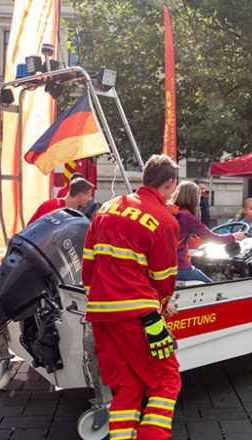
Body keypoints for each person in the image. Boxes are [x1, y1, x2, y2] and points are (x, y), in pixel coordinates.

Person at [82, 154, 181, 440]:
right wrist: (161, 308)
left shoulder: (106, 208)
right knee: (165, 380)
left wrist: (99, 300)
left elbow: (88, 264)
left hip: (101, 313)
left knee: (127, 386)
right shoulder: (164, 220)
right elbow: (163, 278)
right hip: (139, 316)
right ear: (171, 183)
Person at [173, 181, 246, 283]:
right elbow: (213, 238)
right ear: (193, 197)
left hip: (167, 265)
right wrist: (234, 237)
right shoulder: (188, 218)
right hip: (180, 267)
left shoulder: (175, 213)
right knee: (211, 286)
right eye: (198, 195)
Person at [27, 178, 94, 225]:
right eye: (89, 196)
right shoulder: (53, 207)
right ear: (80, 196)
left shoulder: (67, 209)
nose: (90, 199)